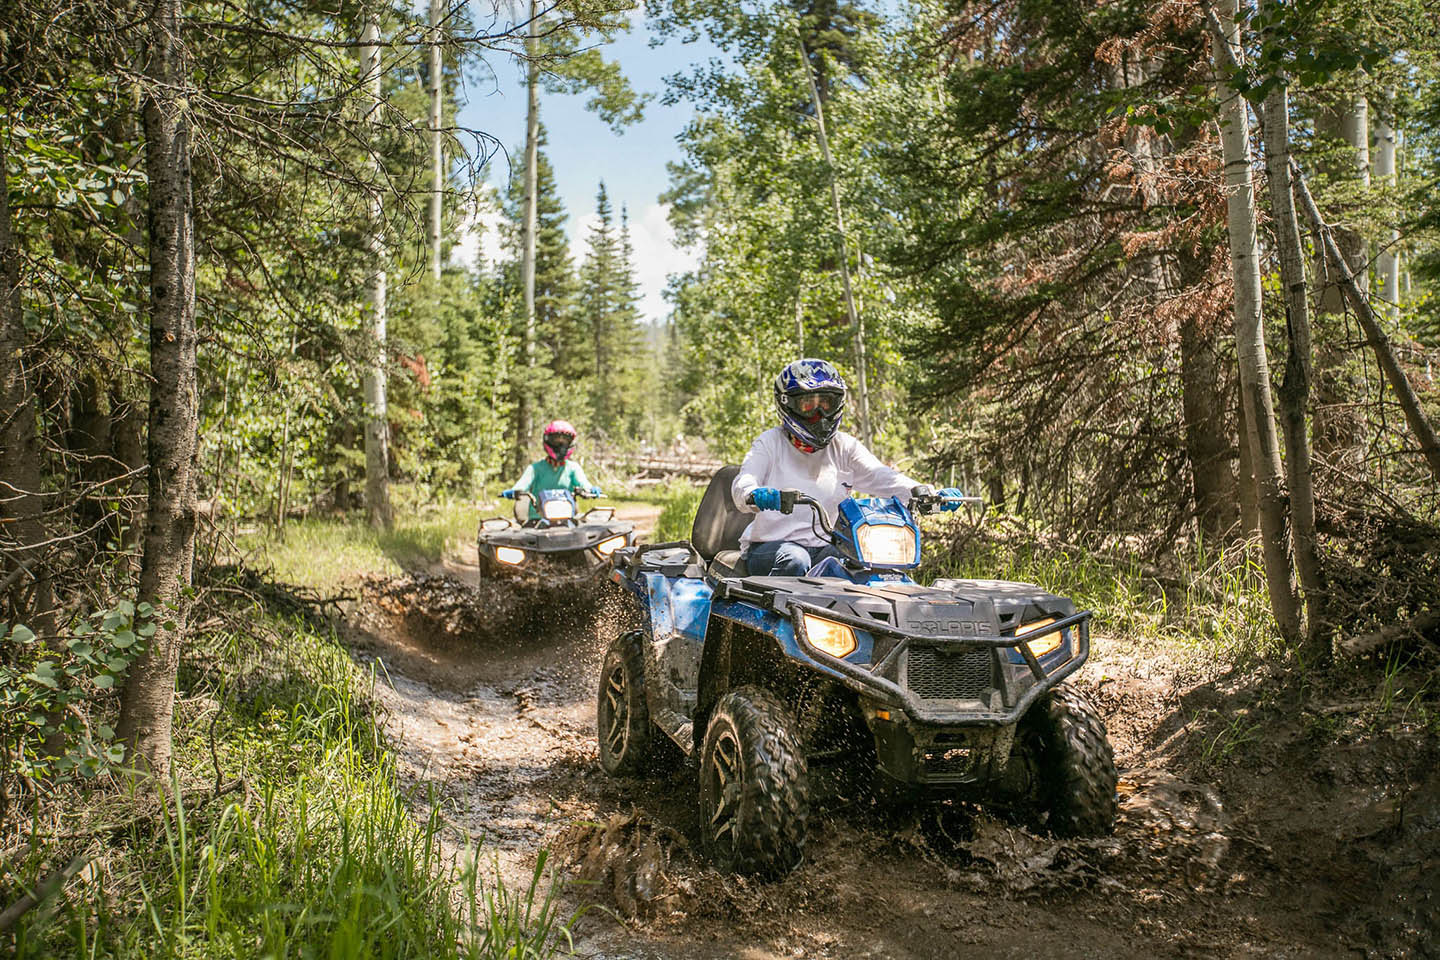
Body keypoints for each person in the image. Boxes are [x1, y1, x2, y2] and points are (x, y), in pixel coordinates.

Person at [731, 359, 963, 577]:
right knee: (796, 559)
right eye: (808, 405)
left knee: (869, 564)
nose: (819, 414)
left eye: (825, 404)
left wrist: (927, 493)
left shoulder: (844, 446)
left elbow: (883, 477)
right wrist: (756, 494)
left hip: (825, 546)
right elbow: (744, 482)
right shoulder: (771, 442)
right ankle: (782, 618)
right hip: (770, 547)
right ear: (788, 404)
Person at [501, 420, 603, 520]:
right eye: (556, 440)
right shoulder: (535, 468)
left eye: (565, 441)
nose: (561, 444)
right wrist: (513, 492)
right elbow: (522, 484)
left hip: (566, 517)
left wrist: (591, 490)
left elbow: (583, 483)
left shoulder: (573, 468)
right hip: (537, 520)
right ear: (548, 440)